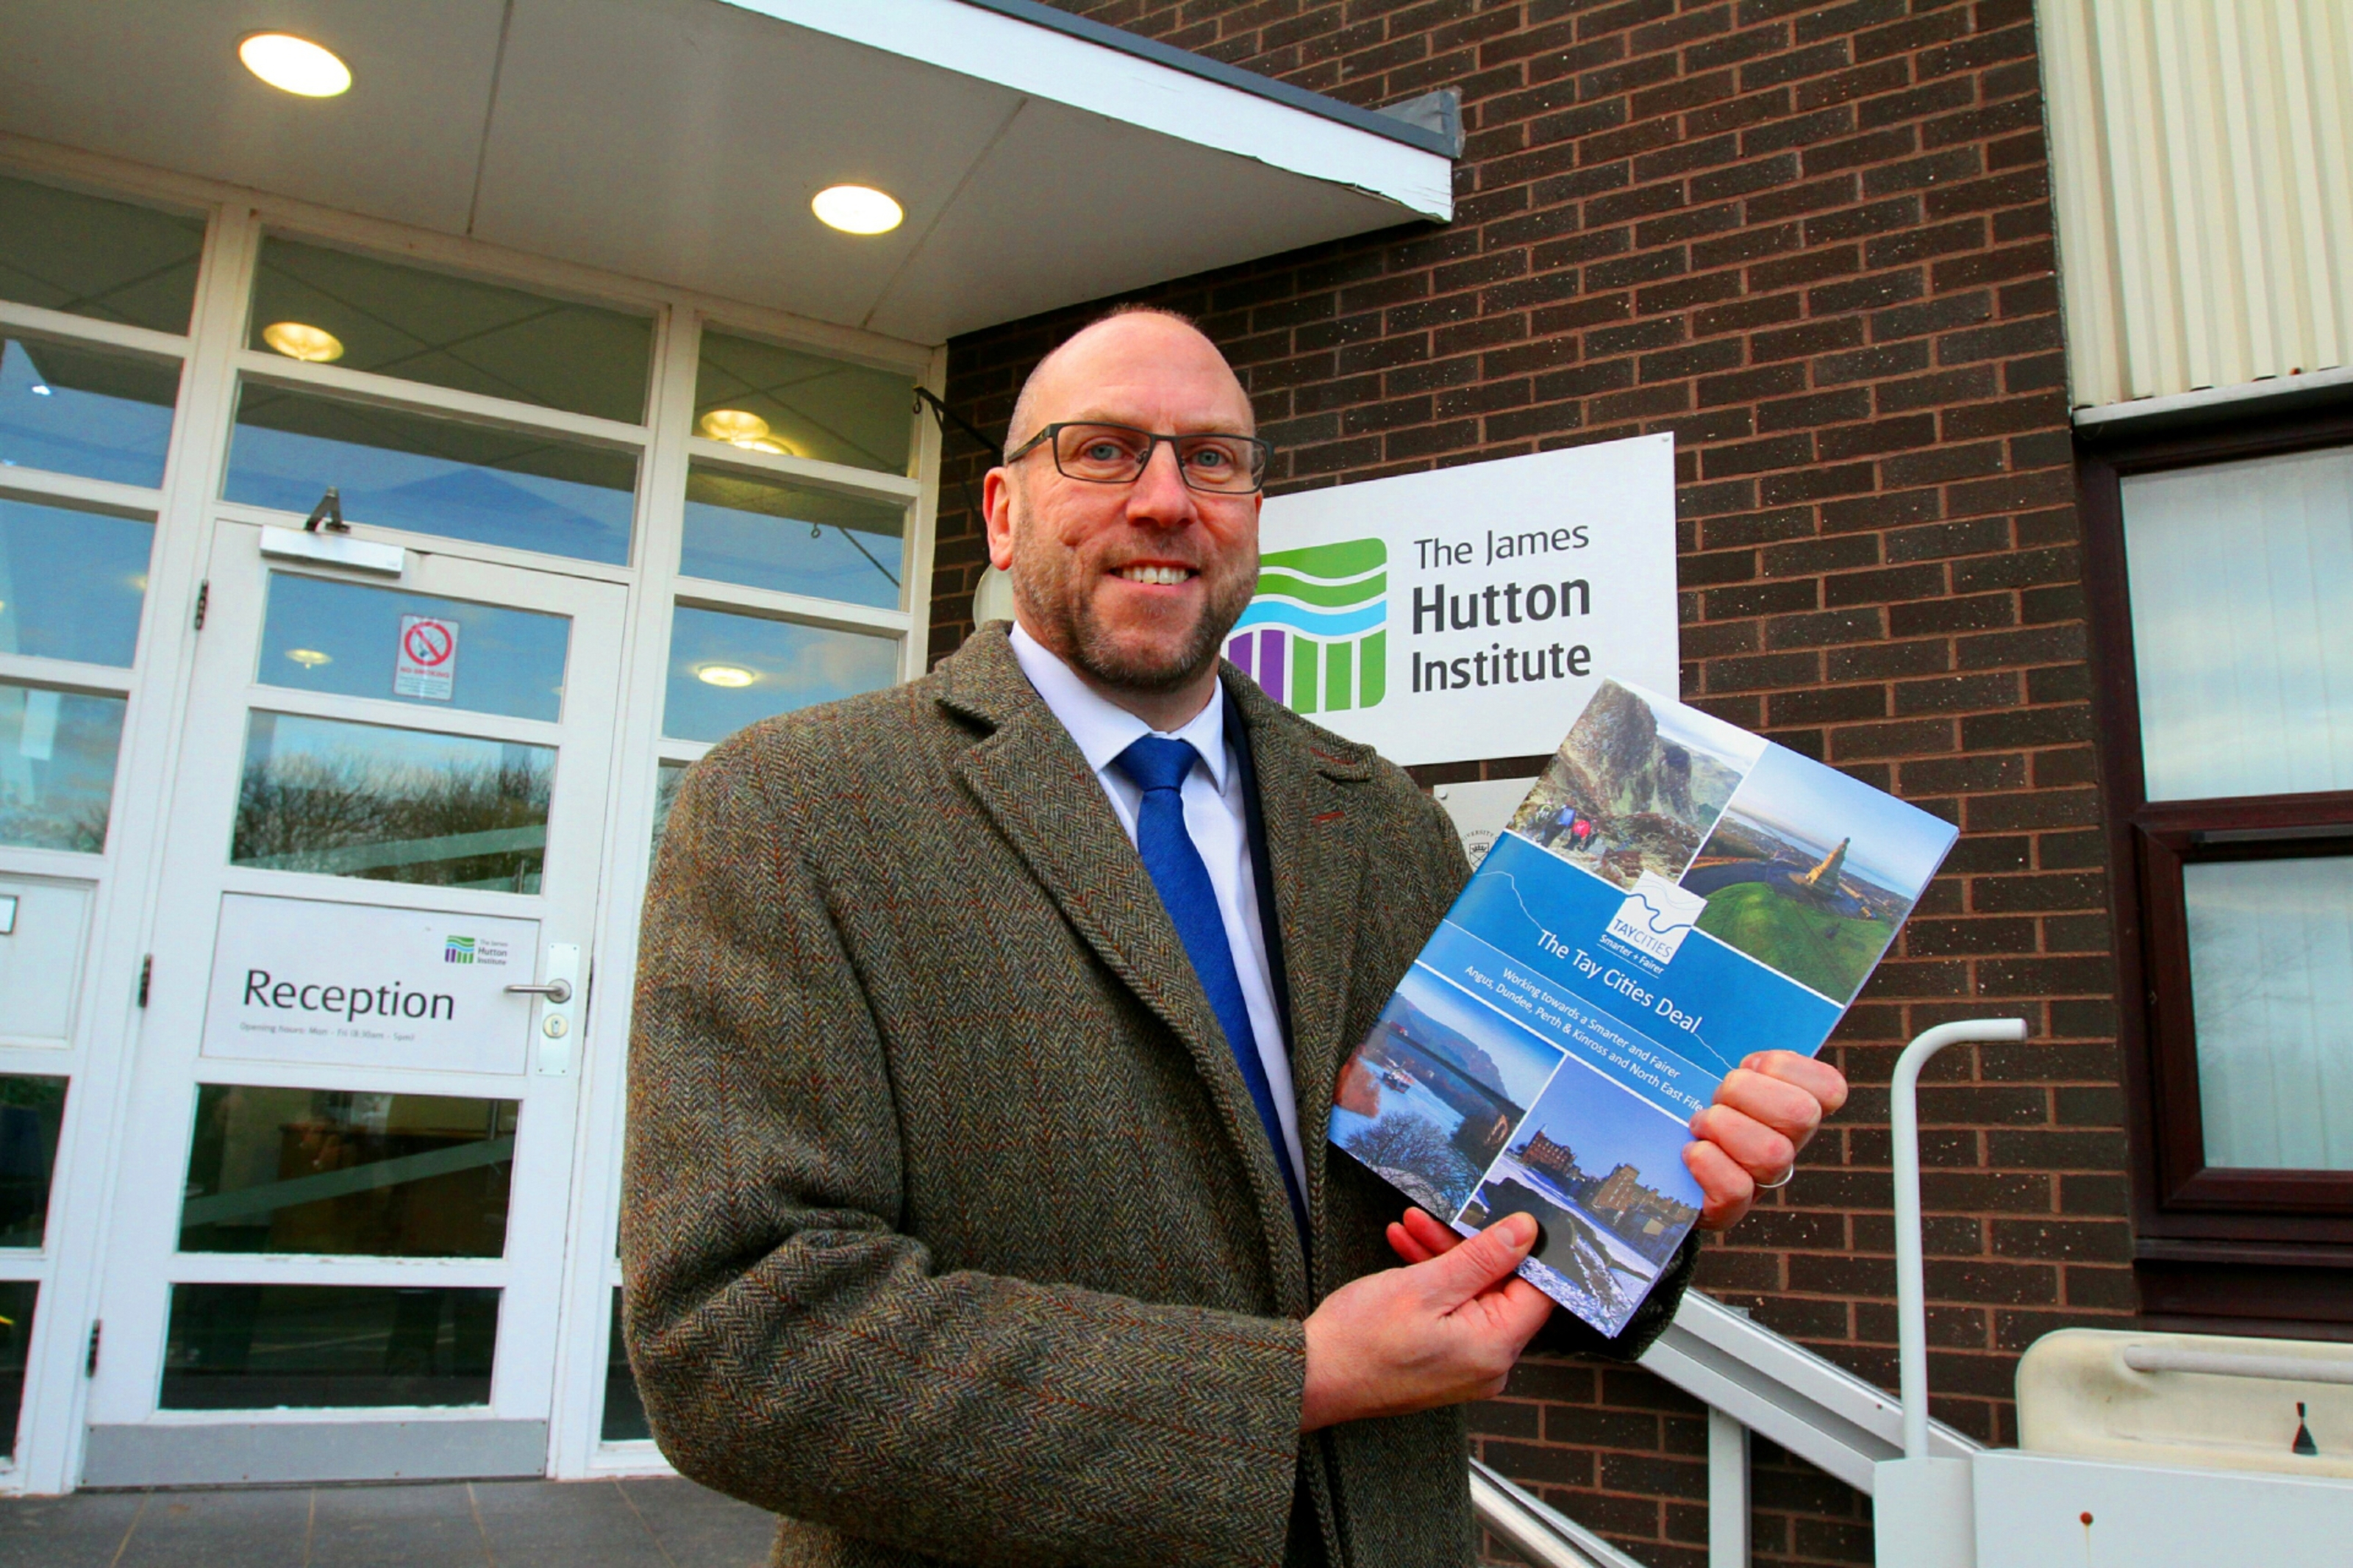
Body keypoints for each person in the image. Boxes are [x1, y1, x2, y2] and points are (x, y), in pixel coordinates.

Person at [622, 307, 1847, 1568]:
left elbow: (1490, 1204)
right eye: (1100, 450)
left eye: (1212, 459)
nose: (1164, 500)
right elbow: (738, 1335)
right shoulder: (796, 809)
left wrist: (1662, 1178)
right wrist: (1293, 1380)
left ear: (1256, 511)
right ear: (1001, 511)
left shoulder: (1385, 820)